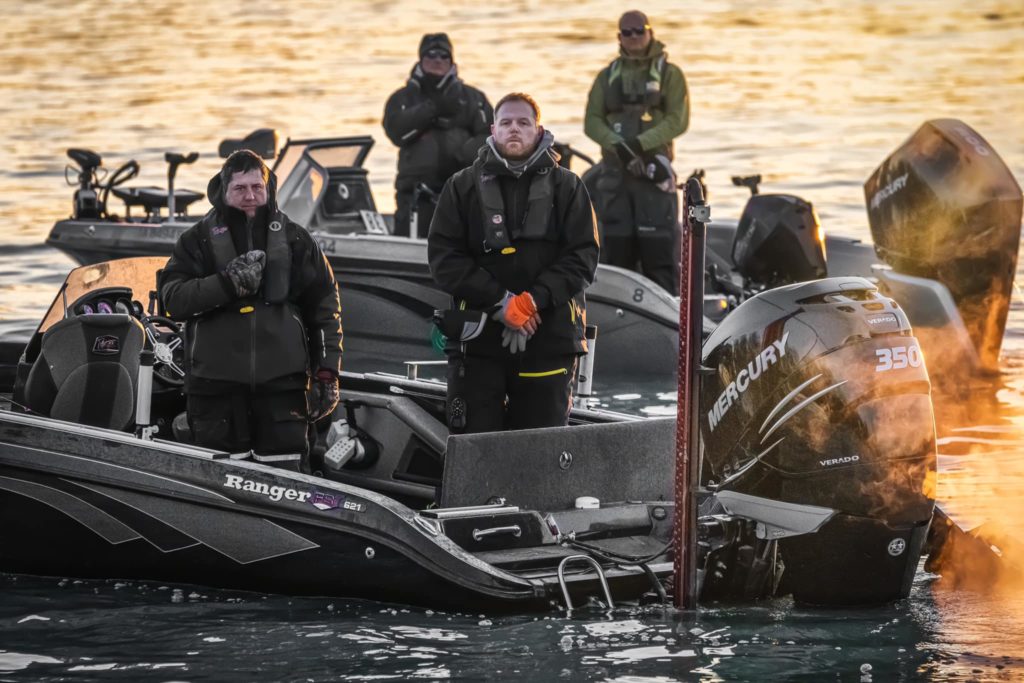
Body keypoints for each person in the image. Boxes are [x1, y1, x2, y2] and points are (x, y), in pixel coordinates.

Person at [428, 93, 600, 434]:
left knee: (540, 446)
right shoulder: (461, 186)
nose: (514, 129)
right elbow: (444, 259)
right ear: (493, 130)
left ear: (539, 130)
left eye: (524, 122)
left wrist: (530, 302)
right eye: (506, 122)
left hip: (548, 339)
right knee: (475, 444)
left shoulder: (568, 186)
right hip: (478, 342)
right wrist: (501, 302)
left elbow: (583, 257)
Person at [160, 150, 343, 467]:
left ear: (268, 188)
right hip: (214, 392)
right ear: (224, 190)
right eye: (240, 188)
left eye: (257, 187)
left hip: (284, 390)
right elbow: (172, 300)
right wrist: (226, 284)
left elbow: (325, 310)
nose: (250, 196)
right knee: (217, 480)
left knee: (287, 478)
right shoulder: (196, 240)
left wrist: (327, 374)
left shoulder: (298, 240)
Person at [583, 10, 689, 295]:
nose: (633, 36)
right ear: (619, 37)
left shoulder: (670, 74)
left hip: (654, 173)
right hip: (615, 176)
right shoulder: (606, 76)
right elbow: (592, 122)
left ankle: (667, 313)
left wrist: (639, 145)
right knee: (617, 255)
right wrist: (619, 147)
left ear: (650, 32)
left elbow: (678, 120)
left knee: (659, 256)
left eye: (639, 30)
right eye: (627, 32)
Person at [383, 33, 494, 238]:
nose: (437, 60)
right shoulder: (402, 98)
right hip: (415, 195)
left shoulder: (473, 98)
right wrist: (433, 109)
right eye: (431, 54)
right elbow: (395, 131)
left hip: (462, 192)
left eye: (444, 55)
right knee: (410, 239)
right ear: (421, 59)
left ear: (451, 61)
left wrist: (464, 154)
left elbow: (491, 136)